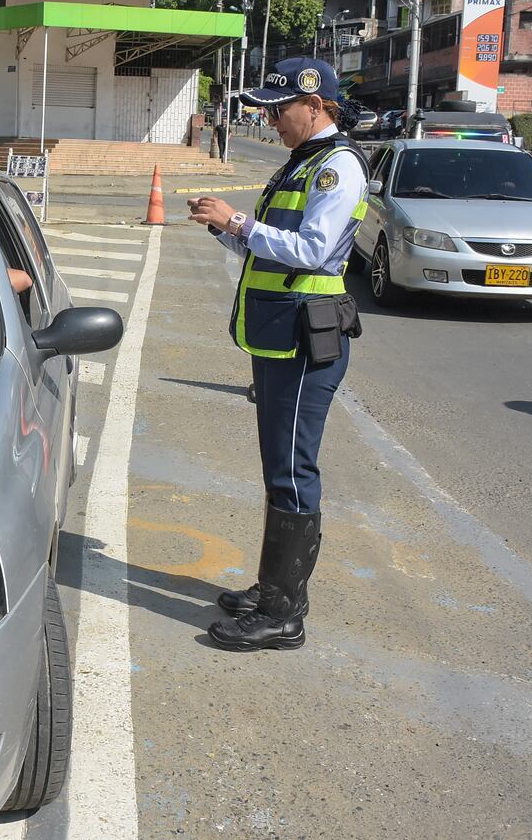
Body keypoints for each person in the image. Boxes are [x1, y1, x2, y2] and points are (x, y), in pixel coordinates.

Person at [188, 57, 368, 652]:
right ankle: (273, 590)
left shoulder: (336, 167)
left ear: (315, 105)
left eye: (280, 109)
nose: (272, 120)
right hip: (279, 336)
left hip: (304, 340)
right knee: (278, 468)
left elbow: (313, 251)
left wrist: (239, 221)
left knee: (292, 471)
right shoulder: (303, 162)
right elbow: (272, 251)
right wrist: (226, 229)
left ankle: (284, 614)